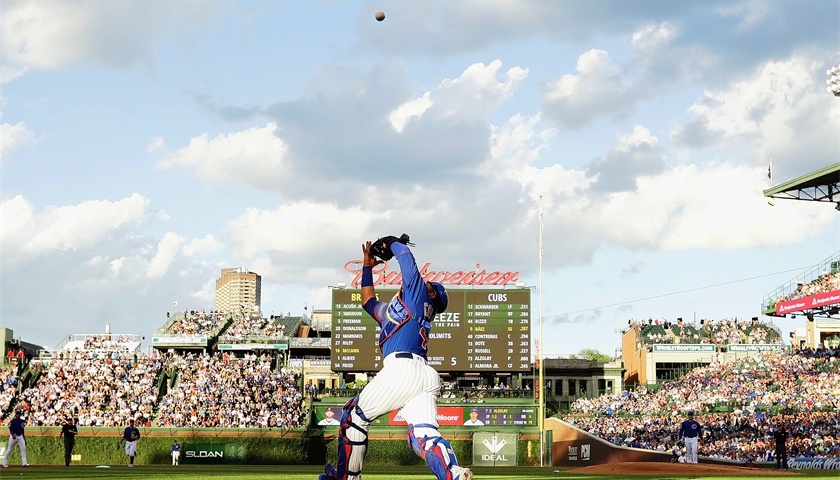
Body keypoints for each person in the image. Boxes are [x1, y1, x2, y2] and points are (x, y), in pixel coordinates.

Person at [318, 239, 472, 480]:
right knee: (424, 435)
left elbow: (406, 257)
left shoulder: (418, 296)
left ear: (431, 295)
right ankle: (454, 473)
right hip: (424, 375)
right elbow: (368, 301)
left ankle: (347, 477)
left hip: (402, 368)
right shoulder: (398, 309)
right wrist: (367, 268)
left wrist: (393, 243)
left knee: (353, 417)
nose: (425, 283)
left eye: (430, 286)